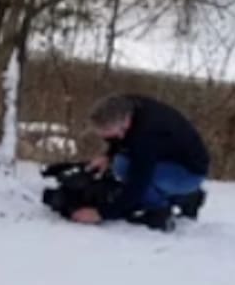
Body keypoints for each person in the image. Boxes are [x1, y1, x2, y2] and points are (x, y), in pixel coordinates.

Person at [72, 94, 209, 228]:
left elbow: (139, 181)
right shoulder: (125, 106)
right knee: (121, 164)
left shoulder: (146, 135)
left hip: (189, 173)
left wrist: (101, 214)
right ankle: (185, 197)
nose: (106, 137)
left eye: (109, 132)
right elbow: (122, 140)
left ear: (125, 124)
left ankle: (159, 212)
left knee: (131, 173)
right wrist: (108, 156)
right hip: (165, 159)